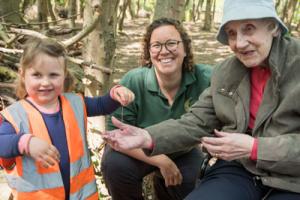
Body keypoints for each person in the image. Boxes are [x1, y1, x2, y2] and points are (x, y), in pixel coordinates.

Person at [103, 0, 300, 199]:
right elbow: (198, 121)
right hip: (240, 170)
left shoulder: (294, 64)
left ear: (273, 26)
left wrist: (255, 148)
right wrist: (148, 137)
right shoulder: (226, 72)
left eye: (249, 29)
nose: (239, 43)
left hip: (292, 178)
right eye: (231, 33)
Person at [0, 37, 134, 200]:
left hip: (81, 195)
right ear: (23, 75)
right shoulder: (16, 114)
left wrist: (115, 95)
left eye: (53, 75)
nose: (45, 82)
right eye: (36, 75)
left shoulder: (75, 103)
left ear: (64, 76)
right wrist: (25, 142)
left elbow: (101, 105)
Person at [101, 18, 211, 200]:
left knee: (197, 182)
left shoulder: (204, 78)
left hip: (182, 150)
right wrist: (162, 161)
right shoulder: (134, 81)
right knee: (115, 165)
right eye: (157, 45)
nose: (164, 51)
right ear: (149, 52)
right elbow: (114, 135)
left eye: (171, 43)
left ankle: (164, 191)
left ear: (185, 48)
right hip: (138, 152)